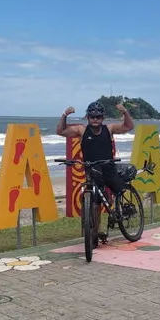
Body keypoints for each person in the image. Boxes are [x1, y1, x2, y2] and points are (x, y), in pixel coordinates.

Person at [56, 100, 134, 240]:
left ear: (102, 118)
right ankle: (94, 234)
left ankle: (120, 212)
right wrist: (64, 115)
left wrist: (125, 112)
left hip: (108, 167)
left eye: (98, 117)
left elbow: (128, 126)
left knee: (118, 191)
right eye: (92, 116)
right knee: (95, 202)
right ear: (88, 117)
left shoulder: (109, 129)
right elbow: (60, 131)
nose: (95, 119)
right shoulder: (82, 130)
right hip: (92, 170)